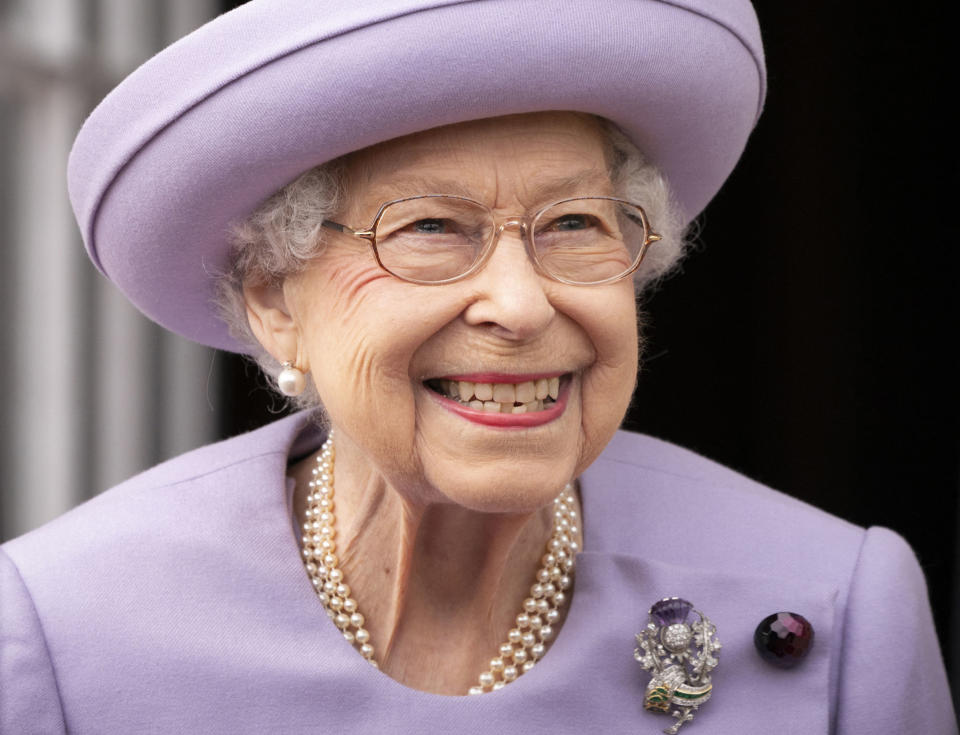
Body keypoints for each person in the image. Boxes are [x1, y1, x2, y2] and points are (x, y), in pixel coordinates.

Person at [1, 1, 954, 733]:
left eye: (574, 224)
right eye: (429, 229)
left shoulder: (834, 603)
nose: (522, 303)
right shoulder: (66, 632)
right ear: (274, 299)